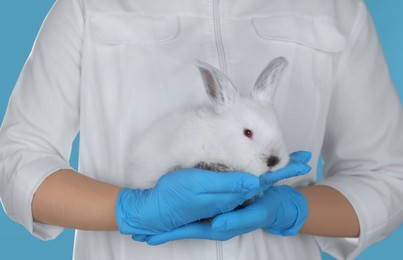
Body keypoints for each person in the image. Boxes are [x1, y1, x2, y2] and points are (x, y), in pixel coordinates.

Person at [0, 0, 402, 259]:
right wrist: (128, 210)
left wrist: (293, 211)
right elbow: (17, 159)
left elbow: (388, 177)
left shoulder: (334, 8)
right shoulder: (87, 6)